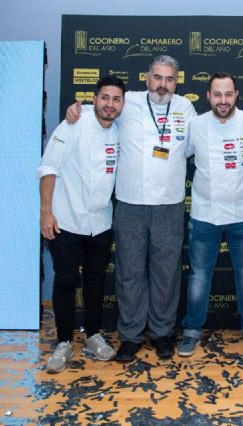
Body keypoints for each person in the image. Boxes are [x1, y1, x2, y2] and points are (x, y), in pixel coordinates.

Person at [67, 55, 196, 362]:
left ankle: (162, 333)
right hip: (129, 204)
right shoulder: (129, 103)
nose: (162, 85)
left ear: (176, 82)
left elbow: (194, 147)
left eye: (169, 79)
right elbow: (99, 110)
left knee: (166, 273)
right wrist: (75, 110)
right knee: (129, 273)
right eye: (157, 77)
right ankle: (131, 335)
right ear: (146, 78)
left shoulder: (185, 108)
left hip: (169, 204)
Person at [39, 76, 126, 373]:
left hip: (101, 223)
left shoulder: (120, 131)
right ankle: (63, 341)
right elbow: (48, 168)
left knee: (95, 280)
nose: (110, 104)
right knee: (64, 281)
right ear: (94, 98)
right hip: (66, 220)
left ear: (122, 104)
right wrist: (46, 212)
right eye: (105, 97)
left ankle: (92, 334)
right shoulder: (74, 123)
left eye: (116, 99)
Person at [177, 72, 243, 357]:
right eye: (217, 94)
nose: (223, 100)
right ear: (208, 96)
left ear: (236, 94)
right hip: (205, 214)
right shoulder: (196, 125)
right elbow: (178, 154)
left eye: (228, 94)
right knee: (200, 275)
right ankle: (192, 330)